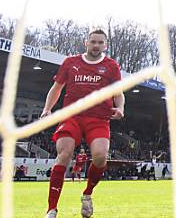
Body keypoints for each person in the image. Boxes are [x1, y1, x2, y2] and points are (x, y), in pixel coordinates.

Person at [41, 29, 123, 218]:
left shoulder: (111, 66)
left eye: (100, 43)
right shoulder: (71, 62)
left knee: (101, 157)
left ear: (105, 45)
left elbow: (118, 92)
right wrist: (47, 109)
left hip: (99, 119)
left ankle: (87, 194)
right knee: (64, 154)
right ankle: (51, 209)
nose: (96, 45)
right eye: (93, 42)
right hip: (72, 117)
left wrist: (120, 108)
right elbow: (57, 88)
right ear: (86, 43)